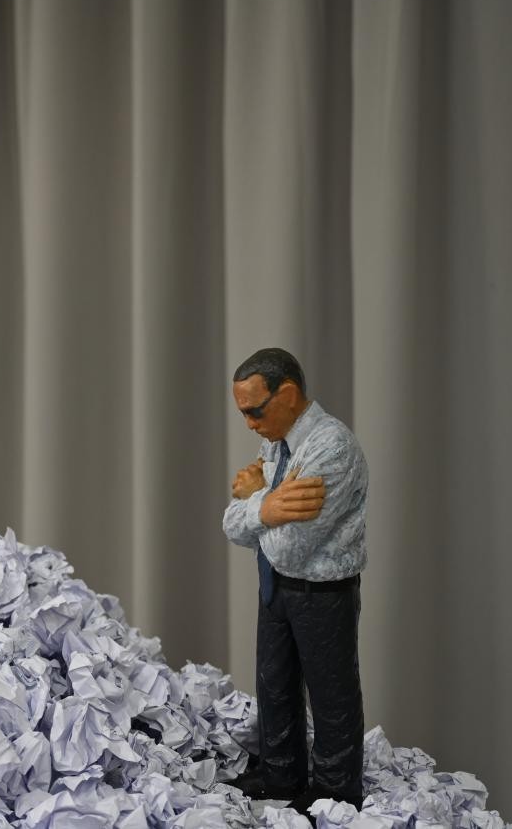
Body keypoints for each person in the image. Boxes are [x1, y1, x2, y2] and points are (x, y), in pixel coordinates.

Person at [222, 347, 367, 816]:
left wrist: (256, 499)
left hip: (320, 594)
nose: (249, 424)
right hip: (276, 588)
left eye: (255, 411)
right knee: (274, 684)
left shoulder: (331, 449)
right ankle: (280, 773)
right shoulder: (277, 443)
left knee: (331, 694)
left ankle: (335, 790)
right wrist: (265, 506)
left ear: (286, 395)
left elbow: (289, 549)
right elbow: (232, 525)